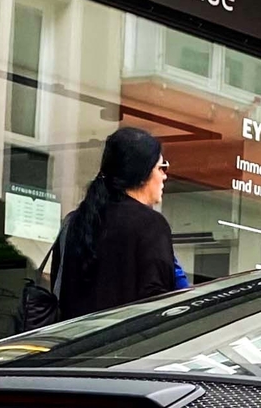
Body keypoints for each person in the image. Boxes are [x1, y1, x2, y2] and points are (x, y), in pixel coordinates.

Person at [56, 125, 179, 318]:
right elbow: (158, 304)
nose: (165, 176)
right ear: (142, 173)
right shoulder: (151, 225)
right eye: (161, 167)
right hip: (127, 343)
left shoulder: (77, 220)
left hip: (77, 342)